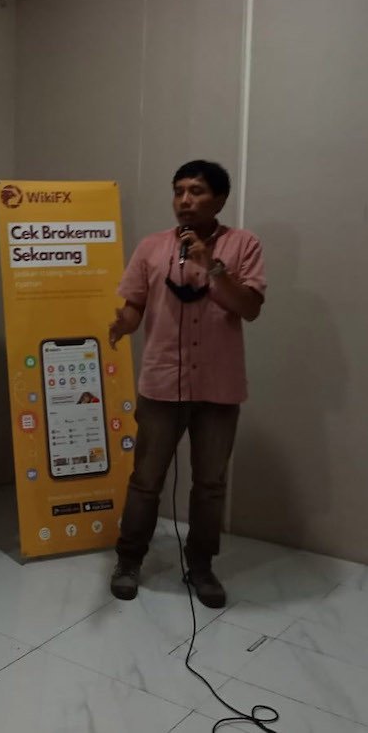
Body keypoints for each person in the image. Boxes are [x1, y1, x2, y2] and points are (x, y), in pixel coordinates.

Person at [108, 160, 266, 607]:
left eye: (196, 191)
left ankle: (200, 566)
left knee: (210, 484)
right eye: (179, 191)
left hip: (219, 386)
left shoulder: (244, 245)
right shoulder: (151, 246)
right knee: (146, 479)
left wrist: (210, 266)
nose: (185, 200)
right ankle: (129, 560)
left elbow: (249, 308)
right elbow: (135, 303)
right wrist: (124, 322)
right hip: (162, 383)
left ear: (219, 198)